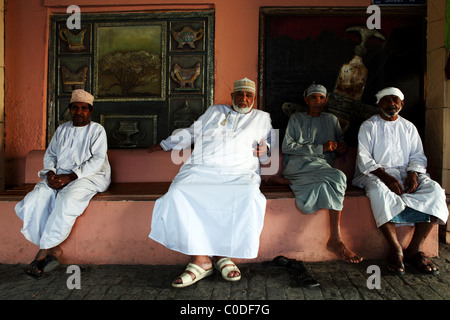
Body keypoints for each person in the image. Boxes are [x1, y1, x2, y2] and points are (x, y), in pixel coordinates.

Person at [148, 78, 273, 288]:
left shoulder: (262, 118)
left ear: (253, 99)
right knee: (179, 192)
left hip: (240, 173)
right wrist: (164, 144)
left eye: (248, 95)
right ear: (232, 96)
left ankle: (224, 254)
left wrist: (266, 149)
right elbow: (191, 132)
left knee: (249, 196)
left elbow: (268, 144)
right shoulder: (214, 111)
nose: (244, 99)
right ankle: (201, 259)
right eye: (240, 94)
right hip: (202, 169)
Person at [352, 87, 449, 275]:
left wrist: (413, 174)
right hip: (374, 173)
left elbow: (417, 156)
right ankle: (395, 249)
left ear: (402, 104)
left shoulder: (409, 127)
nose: (392, 104)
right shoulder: (369, 126)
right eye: (387, 100)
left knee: (435, 192)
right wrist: (387, 178)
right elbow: (364, 159)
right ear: (379, 104)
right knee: (379, 193)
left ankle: (414, 249)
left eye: (395, 100)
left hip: (406, 172)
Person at [15, 89, 111, 277]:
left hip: (89, 177)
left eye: (84, 109)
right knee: (37, 197)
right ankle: (55, 250)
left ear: (90, 112)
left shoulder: (97, 130)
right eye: (75, 108)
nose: (79, 112)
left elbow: (97, 160)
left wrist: (71, 177)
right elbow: (50, 155)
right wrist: (51, 173)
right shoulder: (62, 129)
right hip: (60, 176)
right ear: (70, 109)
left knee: (66, 201)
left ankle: (41, 255)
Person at [279, 83, 362, 264]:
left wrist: (340, 148)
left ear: (326, 100)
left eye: (321, 98)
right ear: (306, 100)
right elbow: (287, 147)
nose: (318, 101)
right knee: (339, 177)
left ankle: (291, 183)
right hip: (298, 164)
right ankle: (336, 238)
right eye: (314, 97)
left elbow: (342, 144)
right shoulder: (296, 118)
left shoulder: (331, 120)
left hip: (322, 167)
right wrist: (320, 148)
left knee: (327, 183)